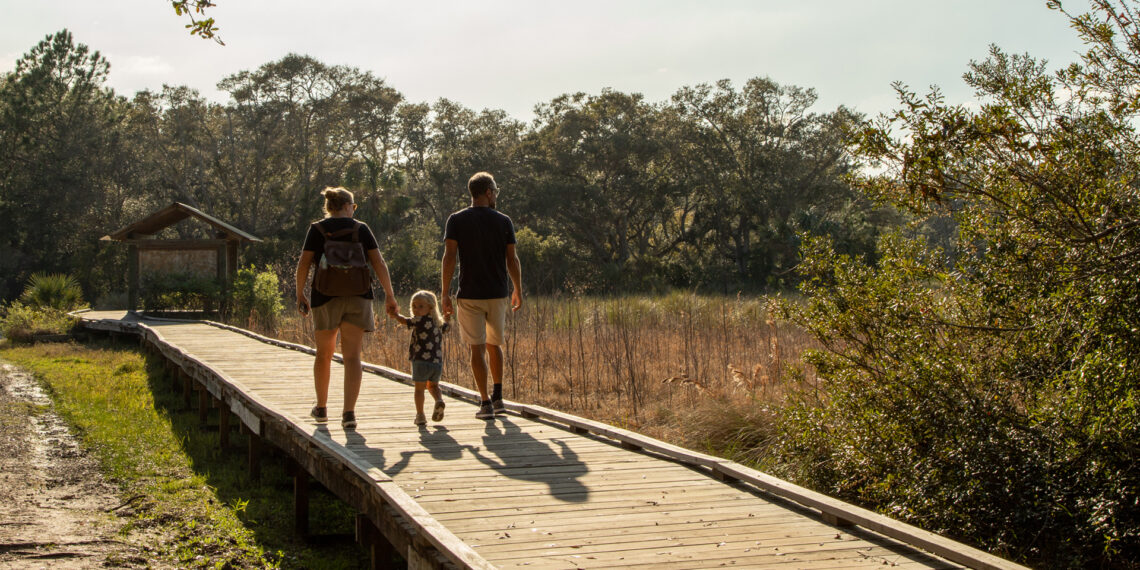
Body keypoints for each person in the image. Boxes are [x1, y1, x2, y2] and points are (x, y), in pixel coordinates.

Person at [296, 187, 398, 429]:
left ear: (330, 207)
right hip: (358, 296)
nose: (354, 209)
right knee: (353, 356)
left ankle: (321, 408)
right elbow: (378, 262)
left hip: (324, 297)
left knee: (324, 354)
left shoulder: (317, 229)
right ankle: (349, 413)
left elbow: (303, 263)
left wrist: (299, 293)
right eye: (353, 206)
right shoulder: (360, 229)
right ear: (348, 206)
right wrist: (390, 295)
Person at [441, 172, 523, 420]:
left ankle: (485, 403)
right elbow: (512, 259)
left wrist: (444, 293)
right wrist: (518, 288)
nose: (496, 194)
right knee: (494, 344)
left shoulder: (456, 220)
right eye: (495, 190)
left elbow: (449, 258)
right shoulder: (504, 221)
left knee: (476, 348)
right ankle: (498, 398)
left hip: (469, 294)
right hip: (497, 293)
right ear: (488, 192)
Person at [391, 290, 451, 426]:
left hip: (420, 361)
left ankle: (420, 415)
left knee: (419, 389)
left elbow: (405, 321)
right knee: (433, 386)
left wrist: (395, 315)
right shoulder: (438, 322)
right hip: (436, 362)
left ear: (430, 307)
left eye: (420, 306)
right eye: (414, 306)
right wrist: (447, 317)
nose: (416, 309)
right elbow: (447, 328)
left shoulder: (419, 321)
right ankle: (438, 400)